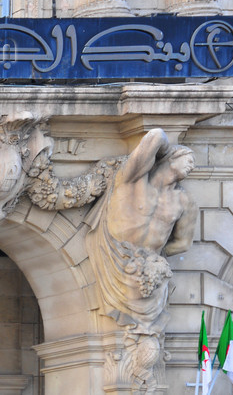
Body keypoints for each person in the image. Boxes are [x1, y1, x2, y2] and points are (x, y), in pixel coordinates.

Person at [85, 128, 197, 334]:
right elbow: (154, 136)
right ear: (172, 158)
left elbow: (183, 243)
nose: (193, 165)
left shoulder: (184, 201)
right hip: (115, 257)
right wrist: (167, 145)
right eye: (188, 159)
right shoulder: (135, 180)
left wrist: (153, 257)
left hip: (148, 270)